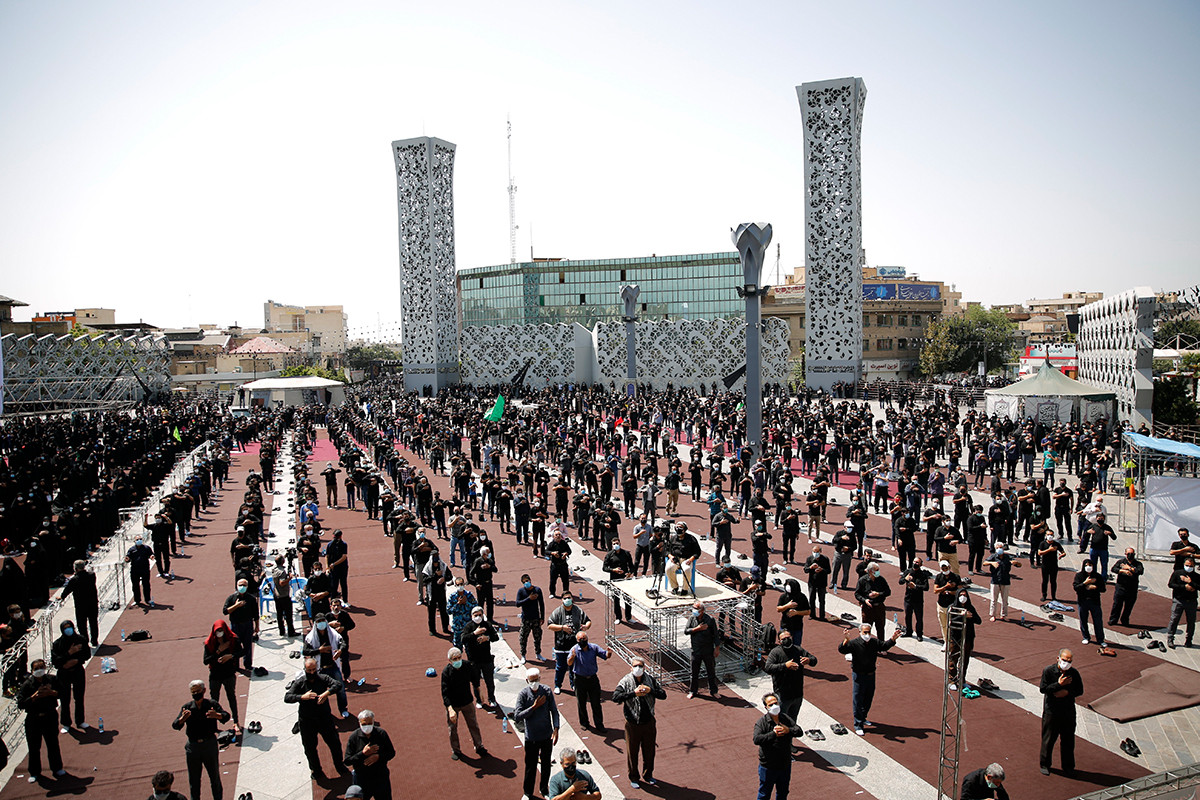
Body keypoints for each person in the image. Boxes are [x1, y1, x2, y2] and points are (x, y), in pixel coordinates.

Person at [284, 657, 348, 780]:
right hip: (307, 721)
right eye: (309, 670)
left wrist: (327, 693)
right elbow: (287, 697)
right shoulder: (300, 682)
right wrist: (302, 697)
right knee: (310, 748)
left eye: (314, 670)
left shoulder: (323, 678)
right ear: (305, 670)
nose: (312, 672)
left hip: (324, 718)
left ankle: (339, 765)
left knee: (334, 743)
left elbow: (337, 684)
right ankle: (316, 770)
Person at [610, 657, 665, 789]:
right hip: (632, 723)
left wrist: (650, 691)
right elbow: (616, 697)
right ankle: (634, 777)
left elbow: (663, 695)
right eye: (635, 666)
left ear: (644, 668)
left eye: (640, 666)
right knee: (632, 752)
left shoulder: (650, 680)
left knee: (649, 751)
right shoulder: (625, 681)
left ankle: (648, 775)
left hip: (648, 722)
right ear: (631, 668)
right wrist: (633, 693)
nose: (638, 668)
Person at [837, 622, 901, 736]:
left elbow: (884, 646)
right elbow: (842, 650)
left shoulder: (874, 642)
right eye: (865, 632)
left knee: (868, 698)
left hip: (871, 674)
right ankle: (858, 724)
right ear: (860, 632)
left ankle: (863, 717)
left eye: (869, 632)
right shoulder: (854, 643)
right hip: (858, 675)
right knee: (858, 699)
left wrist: (893, 639)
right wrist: (846, 639)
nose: (867, 635)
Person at [171, 679, 230, 800]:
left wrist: (217, 715)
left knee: (214, 777)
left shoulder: (211, 704)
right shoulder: (187, 708)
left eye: (198, 691)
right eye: (193, 692)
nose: (196, 694)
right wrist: (182, 719)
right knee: (194, 780)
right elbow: (175, 725)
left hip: (209, 744)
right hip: (193, 747)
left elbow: (226, 716)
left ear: (204, 690)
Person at [514, 667, 560, 800]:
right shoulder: (523, 694)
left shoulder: (547, 691)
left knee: (546, 765)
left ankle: (544, 789)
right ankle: (527, 792)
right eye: (531, 680)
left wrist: (556, 728)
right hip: (531, 738)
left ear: (540, 678)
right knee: (530, 767)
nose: (534, 683)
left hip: (546, 735)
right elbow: (517, 716)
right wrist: (533, 707)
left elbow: (554, 711)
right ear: (527, 681)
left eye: (536, 680)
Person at [17, 658, 64, 782]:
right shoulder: (27, 685)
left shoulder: (52, 680)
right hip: (34, 719)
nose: (39, 670)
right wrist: (34, 697)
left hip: (50, 716)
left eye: (41, 668)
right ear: (32, 670)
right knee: (34, 747)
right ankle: (34, 772)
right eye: (36, 669)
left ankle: (57, 768)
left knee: (53, 743)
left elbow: (62, 693)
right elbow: (21, 703)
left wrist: (51, 692)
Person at [1039, 648, 1083, 776]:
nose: (1066, 663)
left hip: (1068, 711)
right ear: (1058, 658)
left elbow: (1079, 690)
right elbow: (1043, 689)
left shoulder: (1074, 673)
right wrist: (1058, 685)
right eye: (1064, 660)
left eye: (1069, 661)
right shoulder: (1048, 671)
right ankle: (1045, 764)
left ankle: (1068, 766)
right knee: (1048, 739)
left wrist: (1067, 692)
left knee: (1068, 740)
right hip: (1052, 711)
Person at [752, 692, 803, 800]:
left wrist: (788, 730)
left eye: (776, 703)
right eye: (770, 705)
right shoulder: (762, 722)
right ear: (766, 707)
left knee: (783, 792)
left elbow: (799, 731)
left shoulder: (785, 718)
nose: (774, 706)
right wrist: (773, 734)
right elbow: (757, 739)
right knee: (764, 794)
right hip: (768, 766)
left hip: (784, 764)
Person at [441, 646, 487, 760]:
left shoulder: (467, 666)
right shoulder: (446, 672)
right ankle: (456, 750)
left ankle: (479, 746)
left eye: (459, 657)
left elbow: (475, 679)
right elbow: (445, 693)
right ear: (450, 660)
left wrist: (480, 691)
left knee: (473, 725)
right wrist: (450, 709)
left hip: (467, 701)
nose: (457, 660)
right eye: (455, 659)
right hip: (453, 704)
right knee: (452, 728)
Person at [763, 628, 817, 722]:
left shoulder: (798, 650)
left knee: (792, 721)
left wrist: (809, 660)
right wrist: (785, 666)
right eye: (783, 639)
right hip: (782, 695)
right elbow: (768, 668)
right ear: (779, 641)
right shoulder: (775, 652)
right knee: (781, 720)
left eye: (788, 637)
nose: (786, 640)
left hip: (797, 694)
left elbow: (814, 660)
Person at [303, 612, 350, 718]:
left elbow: (342, 642)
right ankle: (323, 712)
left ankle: (343, 709)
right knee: (320, 692)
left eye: (323, 621)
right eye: (318, 621)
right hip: (320, 669)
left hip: (333, 666)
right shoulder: (310, 637)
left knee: (341, 689)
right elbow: (305, 651)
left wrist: (340, 650)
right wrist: (319, 650)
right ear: (315, 623)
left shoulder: (333, 633)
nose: (321, 623)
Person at [202, 620, 245, 734]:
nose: (219, 633)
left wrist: (230, 656)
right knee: (214, 700)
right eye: (217, 631)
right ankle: (214, 725)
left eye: (221, 630)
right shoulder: (209, 643)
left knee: (231, 696)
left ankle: (236, 721)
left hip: (229, 673)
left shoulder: (232, 639)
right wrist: (218, 651)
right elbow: (206, 661)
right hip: (215, 675)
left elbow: (242, 652)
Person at [343, 709, 395, 800]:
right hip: (362, 780)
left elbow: (391, 753)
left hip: (380, 778)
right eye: (364, 724)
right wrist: (363, 754)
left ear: (373, 722)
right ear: (359, 723)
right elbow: (347, 761)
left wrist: (378, 757)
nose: (367, 726)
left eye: (369, 723)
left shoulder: (381, 734)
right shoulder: (354, 737)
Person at [50, 619, 89, 731]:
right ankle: (66, 723)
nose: (68, 630)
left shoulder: (80, 639)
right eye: (65, 628)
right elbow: (56, 661)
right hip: (64, 673)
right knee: (64, 699)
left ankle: (80, 721)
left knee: (79, 697)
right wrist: (69, 654)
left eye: (69, 627)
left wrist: (76, 660)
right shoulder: (57, 644)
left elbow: (86, 654)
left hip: (77, 671)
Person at [547, 593, 590, 694]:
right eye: (565, 598)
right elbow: (549, 625)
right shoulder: (557, 611)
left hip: (574, 645)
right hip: (561, 645)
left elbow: (588, 621)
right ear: (562, 600)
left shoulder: (577, 610)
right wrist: (562, 628)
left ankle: (573, 684)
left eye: (569, 598)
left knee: (574, 666)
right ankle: (558, 685)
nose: (567, 600)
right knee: (560, 667)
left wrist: (586, 626)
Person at [462, 606, 499, 709]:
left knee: (489, 681)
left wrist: (487, 638)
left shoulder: (487, 625)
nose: (478, 617)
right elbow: (463, 639)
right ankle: (479, 700)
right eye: (475, 615)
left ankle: (491, 698)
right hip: (473, 660)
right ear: (472, 616)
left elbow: (496, 637)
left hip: (486, 658)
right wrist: (474, 634)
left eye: (480, 615)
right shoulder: (468, 626)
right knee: (475, 682)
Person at [60, 560, 100, 648]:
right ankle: (94, 640)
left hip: (81, 605)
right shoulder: (92, 575)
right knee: (93, 622)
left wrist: (62, 597)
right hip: (92, 603)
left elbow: (67, 590)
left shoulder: (74, 579)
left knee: (82, 625)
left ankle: (85, 641)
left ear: (75, 568)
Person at [684, 600, 720, 699]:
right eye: (693, 608)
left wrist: (717, 648)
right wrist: (697, 628)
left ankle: (714, 691)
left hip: (708, 650)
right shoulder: (692, 618)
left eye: (696, 608)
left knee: (711, 672)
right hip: (695, 650)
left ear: (702, 610)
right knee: (694, 673)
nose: (694, 610)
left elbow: (715, 635)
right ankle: (693, 691)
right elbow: (686, 631)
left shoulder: (710, 620)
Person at [1074, 558, 1107, 646]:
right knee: (1083, 620)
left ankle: (1100, 639)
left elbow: (1103, 589)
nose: (1088, 567)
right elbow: (1076, 587)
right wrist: (1085, 583)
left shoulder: (1097, 576)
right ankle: (1086, 637)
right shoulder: (1079, 576)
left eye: (1090, 565)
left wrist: (1095, 587)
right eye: (1086, 565)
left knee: (1098, 621)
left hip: (1095, 601)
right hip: (1083, 601)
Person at [854, 561, 890, 640]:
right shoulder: (862, 580)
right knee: (866, 629)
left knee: (880, 628)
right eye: (876, 570)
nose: (878, 572)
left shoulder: (881, 580)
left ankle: (881, 645)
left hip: (879, 607)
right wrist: (865, 600)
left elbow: (888, 592)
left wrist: (878, 594)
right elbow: (857, 594)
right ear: (870, 571)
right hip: (868, 609)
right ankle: (865, 643)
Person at [983, 543, 1018, 622]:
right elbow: (984, 563)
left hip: (1005, 580)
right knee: (993, 600)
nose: (1000, 549)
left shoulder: (1008, 557)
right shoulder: (993, 556)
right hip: (995, 580)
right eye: (998, 548)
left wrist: (1015, 562)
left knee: (1005, 600)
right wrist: (992, 563)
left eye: (1001, 547)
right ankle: (993, 615)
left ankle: (1004, 615)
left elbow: (1018, 564)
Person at [1167, 557, 1197, 649]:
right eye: (1187, 565)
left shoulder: (1196, 576)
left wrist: (1190, 582)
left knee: (1191, 621)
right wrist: (1184, 586)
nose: (1189, 567)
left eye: (1191, 566)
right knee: (1174, 619)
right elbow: (1171, 584)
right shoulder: (1177, 573)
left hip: (1191, 602)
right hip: (1179, 600)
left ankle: (1189, 640)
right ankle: (1170, 638)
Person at [1109, 548, 1144, 626]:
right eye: (1128, 554)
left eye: (1132, 554)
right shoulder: (1121, 562)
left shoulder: (1138, 564)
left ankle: (1124, 620)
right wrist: (1122, 571)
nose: (1130, 555)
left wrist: (1130, 568)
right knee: (1117, 604)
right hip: (1121, 587)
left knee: (1129, 606)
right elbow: (1114, 569)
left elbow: (1140, 571)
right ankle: (1113, 619)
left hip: (1132, 589)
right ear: (1125, 554)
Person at [899, 556, 930, 641]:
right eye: (914, 562)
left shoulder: (923, 575)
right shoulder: (908, 572)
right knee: (908, 616)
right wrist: (905, 579)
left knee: (919, 618)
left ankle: (919, 634)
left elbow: (926, 587)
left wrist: (916, 586)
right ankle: (909, 631)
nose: (915, 563)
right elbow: (900, 582)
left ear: (920, 564)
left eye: (917, 562)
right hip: (908, 599)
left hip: (918, 600)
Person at [602, 540, 634, 623]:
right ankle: (618, 617)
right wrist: (614, 570)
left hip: (625, 579)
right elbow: (604, 568)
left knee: (628, 599)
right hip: (615, 580)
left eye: (617, 543)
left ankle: (628, 617)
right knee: (616, 599)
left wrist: (629, 573)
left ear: (620, 543)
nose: (616, 545)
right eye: (614, 544)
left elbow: (631, 566)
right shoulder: (609, 555)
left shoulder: (626, 553)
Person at [516, 574, 546, 662]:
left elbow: (541, 604)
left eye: (527, 580)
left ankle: (538, 653)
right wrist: (529, 598)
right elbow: (517, 603)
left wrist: (542, 617)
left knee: (537, 637)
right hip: (526, 619)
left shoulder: (537, 590)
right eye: (524, 582)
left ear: (530, 580)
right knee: (523, 637)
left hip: (536, 618)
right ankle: (523, 655)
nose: (526, 583)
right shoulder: (521, 591)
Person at [270, 554, 298, 637]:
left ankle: (281, 630)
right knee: (288, 615)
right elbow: (282, 583)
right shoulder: (282, 572)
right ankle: (291, 631)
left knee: (279, 614)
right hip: (284, 596)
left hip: (277, 594)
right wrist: (290, 578)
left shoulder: (274, 569)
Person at [124, 535, 155, 607]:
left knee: (146, 584)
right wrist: (127, 559)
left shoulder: (146, 548)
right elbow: (128, 558)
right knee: (135, 585)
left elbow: (151, 554)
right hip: (135, 570)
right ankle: (137, 600)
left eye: (140, 539)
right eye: (137, 539)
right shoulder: (131, 549)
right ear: (134, 541)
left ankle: (148, 599)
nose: (139, 540)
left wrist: (152, 556)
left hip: (145, 569)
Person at [803, 545, 830, 621]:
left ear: (820, 552)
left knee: (822, 600)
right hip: (812, 582)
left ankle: (822, 615)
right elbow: (805, 570)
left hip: (822, 582)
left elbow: (829, 570)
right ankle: (812, 614)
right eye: (814, 552)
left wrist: (822, 570)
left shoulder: (825, 559)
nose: (815, 553)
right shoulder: (809, 558)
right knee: (812, 599)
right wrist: (810, 567)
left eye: (817, 552)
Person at [1087, 513, 1118, 580]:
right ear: (1096, 519)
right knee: (1093, 564)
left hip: (1103, 549)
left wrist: (1110, 533)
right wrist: (1088, 532)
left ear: (1104, 519)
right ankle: (1094, 576)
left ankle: (1103, 578)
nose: (1100, 519)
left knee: (1104, 564)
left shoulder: (1107, 527)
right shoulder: (1093, 526)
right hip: (1094, 548)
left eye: (1102, 518)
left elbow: (1114, 537)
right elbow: (1085, 536)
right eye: (1099, 518)